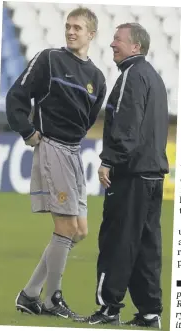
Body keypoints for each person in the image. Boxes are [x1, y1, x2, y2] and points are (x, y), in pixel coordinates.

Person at [6, 7, 106, 318]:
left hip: (75, 152)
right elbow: (16, 97)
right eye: (68, 26)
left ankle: (29, 294)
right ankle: (52, 300)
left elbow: (89, 118)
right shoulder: (49, 58)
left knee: (79, 231)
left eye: (78, 27)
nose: (71, 31)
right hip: (53, 149)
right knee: (65, 226)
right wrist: (28, 130)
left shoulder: (97, 78)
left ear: (91, 34)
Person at [80, 23, 169, 328]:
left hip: (131, 175)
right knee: (146, 247)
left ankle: (108, 308)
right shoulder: (154, 78)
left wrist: (109, 160)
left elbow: (127, 128)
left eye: (118, 39)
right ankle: (149, 312)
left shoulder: (132, 76)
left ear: (136, 47)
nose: (112, 44)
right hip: (153, 176)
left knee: (117, 240)